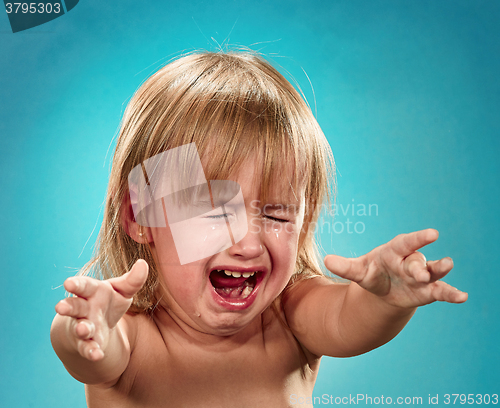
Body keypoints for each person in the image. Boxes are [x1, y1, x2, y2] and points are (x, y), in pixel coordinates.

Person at [50, 51, 468, 407]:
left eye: (277, 214)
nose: (248, 243)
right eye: (214, 212)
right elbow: (92, 355)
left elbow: (348, 317)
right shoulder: (133, 337)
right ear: (141, 218)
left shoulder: (290, 316)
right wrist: (83, 328)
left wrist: (388, 301)